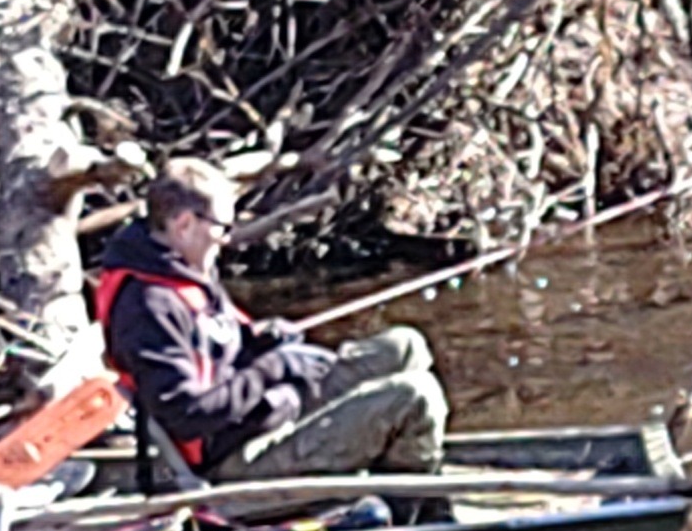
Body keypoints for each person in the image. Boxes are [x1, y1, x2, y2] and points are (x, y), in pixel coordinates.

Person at [87, 158, 447, 480]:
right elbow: (186, 414)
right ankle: (413, 510)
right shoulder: (150, 306)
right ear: (183, 224)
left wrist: (258, 339)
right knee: (417, 396)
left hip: (269, 409)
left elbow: (217, 345)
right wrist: (271, 369)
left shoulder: (185, 269)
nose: (226, 240)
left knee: (405, 346)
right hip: (234, 456)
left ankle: (387, 454)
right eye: (221, 227)